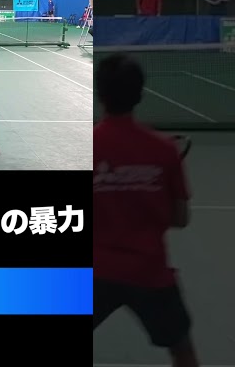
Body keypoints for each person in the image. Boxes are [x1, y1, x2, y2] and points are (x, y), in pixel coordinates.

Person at [94, 54, 199, 367]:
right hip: (149, 273)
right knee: (182, 351)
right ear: (140, 95)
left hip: (93, 274)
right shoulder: (163, 149)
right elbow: (180, 219)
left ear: (100, 95)